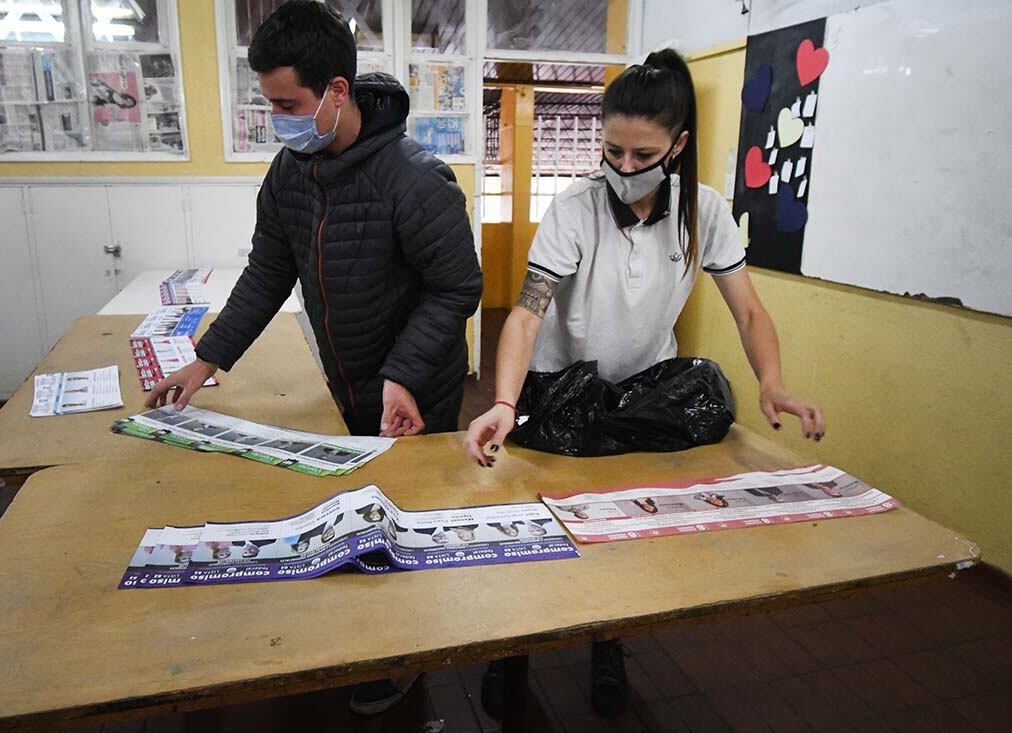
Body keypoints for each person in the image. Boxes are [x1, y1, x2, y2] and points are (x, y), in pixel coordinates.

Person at [464, 50, 825, 721]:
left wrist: (771, 383)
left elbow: (748, 310)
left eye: (643, 154)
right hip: (558, 394)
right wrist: (505, 403)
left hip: (638, 394)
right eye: (612, 151)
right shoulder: (575, 210)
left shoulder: (705, 212)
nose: (624, 169)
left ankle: (608, 642)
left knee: (621, 532)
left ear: (678, 145)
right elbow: (527, 312)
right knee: (546, 531)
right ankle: (511, 652)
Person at [144, 0, 482, 445]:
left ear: (337, 90)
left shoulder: (416, 179)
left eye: (288, 104)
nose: (278, 120)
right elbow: (268, 272)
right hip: (346, 380)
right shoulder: (290, 171)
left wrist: (403, 376)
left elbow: (456, 288)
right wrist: (207, 358)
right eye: (271, 104)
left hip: (414, 390)